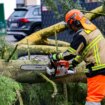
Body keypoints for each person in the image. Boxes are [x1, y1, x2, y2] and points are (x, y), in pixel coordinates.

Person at [50, 9, 105, 105]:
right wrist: (73, 64)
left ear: (74, 22)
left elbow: (70, 54)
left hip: (98, 69)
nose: (71, 28)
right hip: (102, 67)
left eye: (70, 25)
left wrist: (55, 57)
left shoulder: (81, 35)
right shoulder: (92, 30)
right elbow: (85, 52)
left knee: (93, 99)